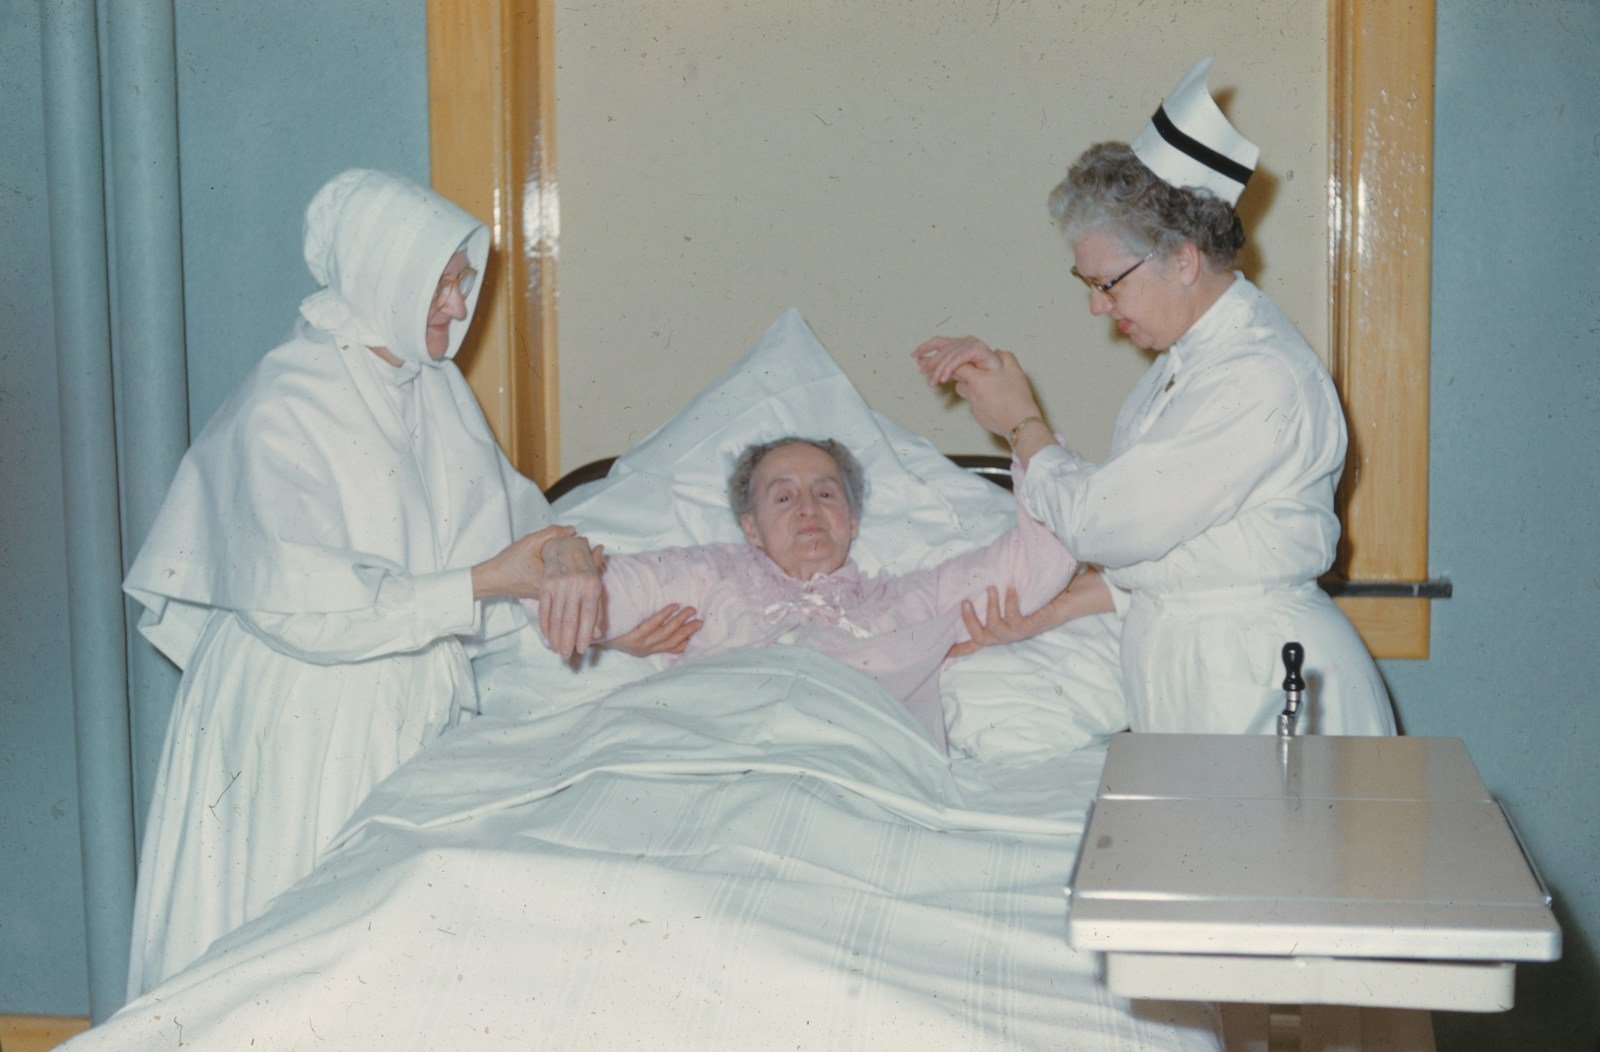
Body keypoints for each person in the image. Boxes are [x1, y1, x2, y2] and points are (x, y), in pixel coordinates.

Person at [121, 169, 613, 995]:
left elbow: (514, 523)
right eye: (442, 285)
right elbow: (306, 606)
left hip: (395, 704)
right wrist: (489, 579)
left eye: (462, 282)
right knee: (277, 955)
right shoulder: (287, 399)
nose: (458, 306)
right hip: (298, 715)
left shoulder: (435, 389)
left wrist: (565, 559)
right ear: (387, 274)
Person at [913, 58, 1395, 737]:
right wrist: (1040, 615)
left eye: (1108, 283)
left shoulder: (1257, 375)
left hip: (1254, 678)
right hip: (1195, 673)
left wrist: (1021, 423)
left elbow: (1105, 524)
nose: (1096, 305)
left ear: (1184, 259)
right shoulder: (1182, 368)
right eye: (1087, 283)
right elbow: (1167, 558)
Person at [526, 437, 1090, 750]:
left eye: (825, 494)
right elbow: (580, 593)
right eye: (782, 497)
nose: (807, 510)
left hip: (856, 767)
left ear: (851, 521)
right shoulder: (706, 576)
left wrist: (1020, 425)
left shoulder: (912, 599)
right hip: (712, 751)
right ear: (750, 528)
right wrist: (565, 555)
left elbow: (1040, 557)